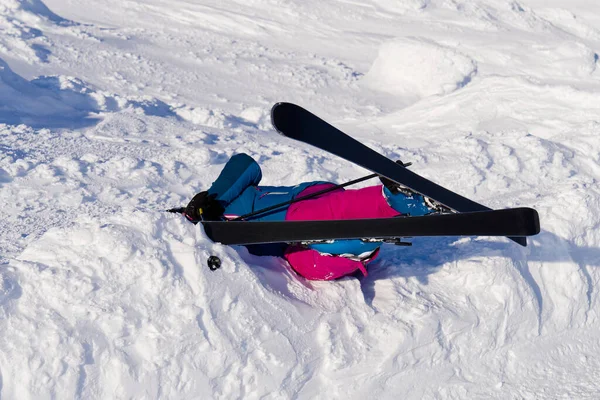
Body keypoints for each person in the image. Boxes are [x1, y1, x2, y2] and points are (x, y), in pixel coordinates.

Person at [184, 153, 447, 280]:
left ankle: (401, 201)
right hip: (292, 248)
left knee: (304, 218)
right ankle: (363, 240)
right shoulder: (209, 236)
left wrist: (213, 197)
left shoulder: (225, 198)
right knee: (308, 266)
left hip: (298, 204)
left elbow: (244, 164)